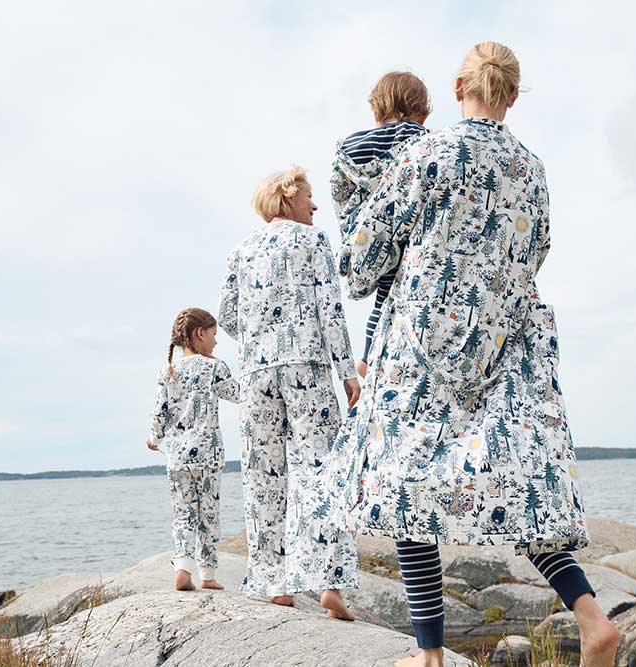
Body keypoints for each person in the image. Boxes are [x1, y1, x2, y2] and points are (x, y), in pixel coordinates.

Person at [333, 42, 622, 666]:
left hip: (423, 345)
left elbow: (358, 259)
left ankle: (430, 654)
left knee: (411, 485)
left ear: (458, 85)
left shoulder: (427, 152)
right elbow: (536, 250)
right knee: (520, 489)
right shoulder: (533, 169)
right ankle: (593, 619)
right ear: (512, 98)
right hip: (506, 343)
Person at [218, 166, 361, 620]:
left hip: (257, 372)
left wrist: (261, 337)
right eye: (309, 197)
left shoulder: (241, 250)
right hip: (308, 366)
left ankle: (273, 581)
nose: (315, 206)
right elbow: (330, 309)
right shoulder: (313, 242)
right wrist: (347, 371)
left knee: (263, 475)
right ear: (286, 198)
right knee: (319, 469)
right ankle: (326, 582)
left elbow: (226, 315)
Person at [330, 71, 431, 378]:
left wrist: (355, 233)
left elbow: (339, 196)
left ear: (375, 109)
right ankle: (372, 355)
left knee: (381, 296)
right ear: (423, 113)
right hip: (414, 240)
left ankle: (367, 355)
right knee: (396, 298)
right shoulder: (426, 144)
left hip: (369, 242)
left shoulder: (349, 149)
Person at [146, 307, 239, 592]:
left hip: (177, 456)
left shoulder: (168, 371)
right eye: (213, 335)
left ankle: (183, 569)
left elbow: (160, 411)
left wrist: (154, 438)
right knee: (208, 513)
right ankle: (207, 575)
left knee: (183, 513)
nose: (216, 342)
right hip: (208, 453)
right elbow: (238, 394)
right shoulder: (214, 367)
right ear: (200, 333)